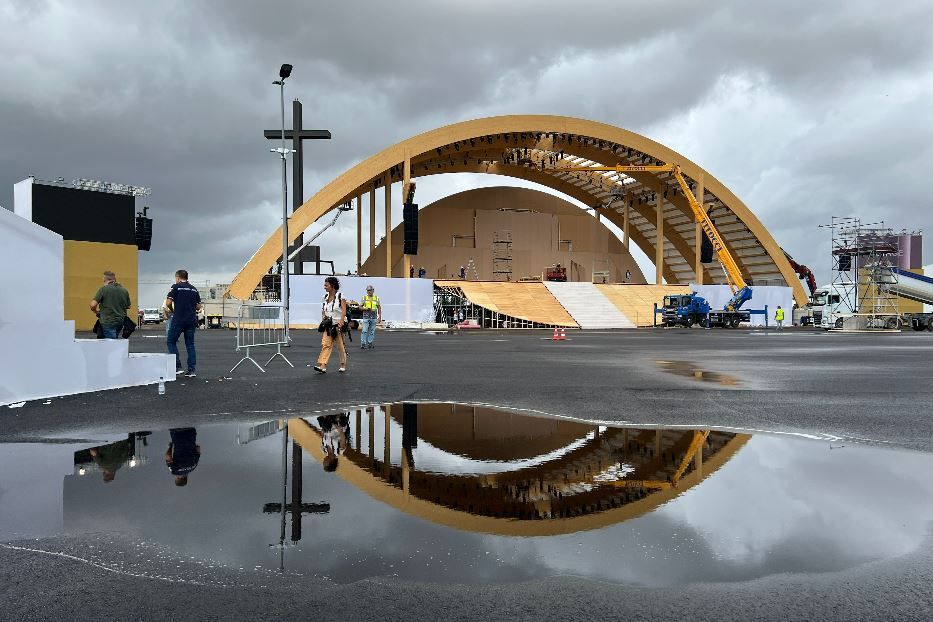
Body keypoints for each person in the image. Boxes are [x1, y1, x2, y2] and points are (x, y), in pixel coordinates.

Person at [165, 270, 201, 377]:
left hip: (179, 319)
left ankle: (177, 366)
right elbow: (199, 306)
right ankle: (191, 370)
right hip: (191, 320)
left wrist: (172, 310)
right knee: (190, 344)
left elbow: (168, 302)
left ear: (178, 277)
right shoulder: (194, 289)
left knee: (171, 341)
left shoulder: (175, 287)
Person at [312, 276, 348, 373]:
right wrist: (323, 317)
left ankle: (342, 364)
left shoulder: (341, 296)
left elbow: (344, 310)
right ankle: (322, 365)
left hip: (338, 325)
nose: (324, 287)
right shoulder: (325, 297)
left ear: (332, 286)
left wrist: (341, 321)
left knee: (340, 346)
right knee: (326, 344)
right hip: (328, 325)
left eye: (326, 285)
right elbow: (324, 310)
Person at [90, 271, 131, 339]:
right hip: (120, 322)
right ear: (115, 279)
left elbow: (92, 305)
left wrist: (96, 312)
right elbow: (128, 306)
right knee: (113, 341)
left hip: (108, 322)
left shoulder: (103, 289)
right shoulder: (124, 290)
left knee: (110, 345)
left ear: (104, 279)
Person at [359, 284, 381, 350]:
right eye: (368, 290)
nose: (369, 292)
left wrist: (379, 316)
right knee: (364, 330)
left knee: (372, 331)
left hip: (373, 317)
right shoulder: (364, 298)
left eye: (370, 290)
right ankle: (363, 343)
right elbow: (360, 307)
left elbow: (379, 307)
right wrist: (365, 308)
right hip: (366, 316)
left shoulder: (376, 298)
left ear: (373, 290)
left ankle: (370, 343)